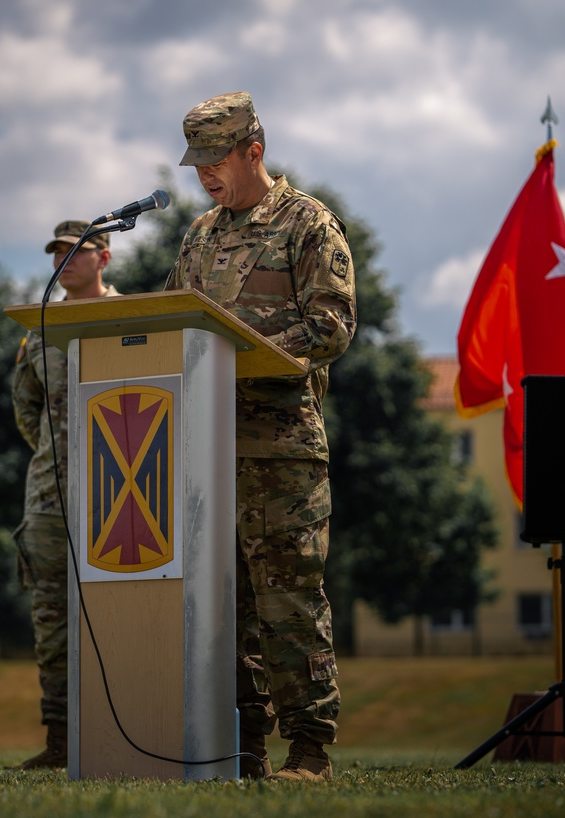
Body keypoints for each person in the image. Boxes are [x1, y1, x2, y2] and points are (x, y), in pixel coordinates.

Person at [166, 91, 357, 782]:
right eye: (198, 163)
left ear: (255, 150)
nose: (207, 174)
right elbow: (173, 325)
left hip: (279, 451)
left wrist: (242, 349)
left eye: (218, 159)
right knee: (224, 607)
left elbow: (331, 325)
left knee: (287, 601)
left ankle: (310, 749)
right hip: (205, 452)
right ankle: (239, 750)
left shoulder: (309, 224)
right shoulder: (198, 235)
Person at [12, 220, 120, 769]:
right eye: (57, 252)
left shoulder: (132, 320)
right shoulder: (39, 331)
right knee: (52, 618)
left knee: (123, 610)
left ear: (103, 259)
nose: (64, 260)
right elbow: (27, 410)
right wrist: (63, 455)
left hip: (122, 497)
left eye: (77, 251)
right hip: (52, 498)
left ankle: (124, 731)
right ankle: (59, 740)